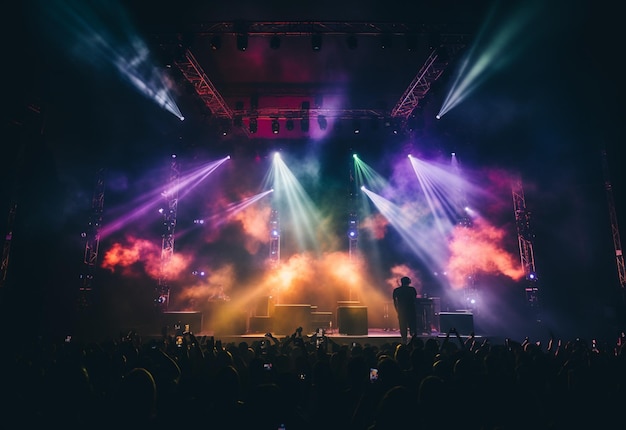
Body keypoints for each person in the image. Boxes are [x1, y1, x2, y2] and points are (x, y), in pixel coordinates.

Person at [392, 276, 417, 344]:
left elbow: (395, 302)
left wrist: (397, 310)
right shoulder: (412, 289)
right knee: (412, 326)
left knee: (402, 326)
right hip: (411, 310)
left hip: (401, 311)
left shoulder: (396, 290)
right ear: (409, 282)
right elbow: (415, 299)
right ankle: (413, 341)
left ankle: (404, 341)